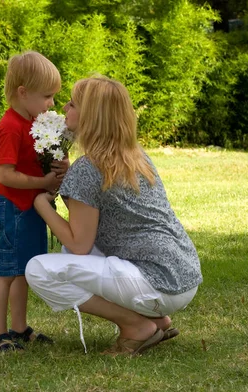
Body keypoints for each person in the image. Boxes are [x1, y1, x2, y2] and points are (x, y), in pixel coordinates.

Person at [26, 76, 202, 356]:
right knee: (67, 251)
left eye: (73, 103)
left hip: (155, 282)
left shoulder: (88, 168)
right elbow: (90, 223)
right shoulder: (136, 155)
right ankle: (157, 320)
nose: (65, 106)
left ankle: (136, 326)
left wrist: (41, 204)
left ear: (91, 117)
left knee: (39, 270)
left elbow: (79, 244)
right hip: (183, 275)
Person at [0, 51, 69, 352]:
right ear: (23, 93)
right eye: (47, 97)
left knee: (25, 270)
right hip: (13, 207)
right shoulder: (9, 128)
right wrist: (43, 183)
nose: (51, 104)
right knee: (6, 272)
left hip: (34, 207)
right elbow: (5, 175)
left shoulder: (37, 122)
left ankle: (19, 328)